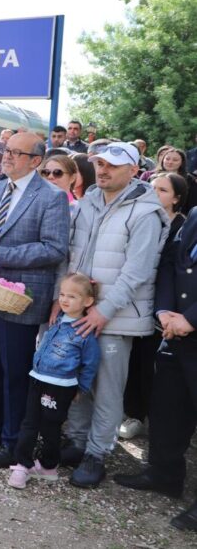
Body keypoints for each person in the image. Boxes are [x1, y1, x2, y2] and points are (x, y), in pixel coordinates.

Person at [55, 142, 169, 488]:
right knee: (77, 379)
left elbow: (137, 272)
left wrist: (103, 310)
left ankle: (97, 453)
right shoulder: (88, 203)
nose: (102, 170)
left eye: (112, 166)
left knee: (107, 389)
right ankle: (77, 441)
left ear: (134, 171)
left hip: (115, 318)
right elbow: (73, 254)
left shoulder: (145, 213)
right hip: (79, 312)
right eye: (100, 164)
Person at [0, 133, 70, 469]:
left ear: (35, 161)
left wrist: (3, 255)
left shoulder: (51, 197)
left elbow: (54, 248)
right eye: (5, 151)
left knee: (15, 372)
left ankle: (12, 442)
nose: (5, 157)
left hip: (22, 298)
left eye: (14, 153)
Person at [113, 202, 197, 533]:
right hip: (175, 332)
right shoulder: (194, 214)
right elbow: (170, 264)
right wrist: (164, 311)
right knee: (168, 409)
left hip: (188, 324)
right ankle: (164, 474)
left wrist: (190, 319)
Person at [8, 273, 101, 490]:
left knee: (50, 426)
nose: (65, 300)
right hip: (37, 379)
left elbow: (91, 363)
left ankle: (49, 466)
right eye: (62, 294)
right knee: (29, 422)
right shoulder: (57, 321)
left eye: (72, 296)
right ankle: (22, 464)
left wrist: (82, 387)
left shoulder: (84, 332)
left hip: (60, 387)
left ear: (88, 302)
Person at [117, 172, 187, 440]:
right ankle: (132, 412)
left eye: (163, 190)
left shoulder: (181, 226)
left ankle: (144, 416)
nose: (155, 193)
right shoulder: (143, 218)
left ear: (177, 198)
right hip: (136, 300)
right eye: (152, 187)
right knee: (134, 362)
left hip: (165, 308)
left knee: (150, 366)